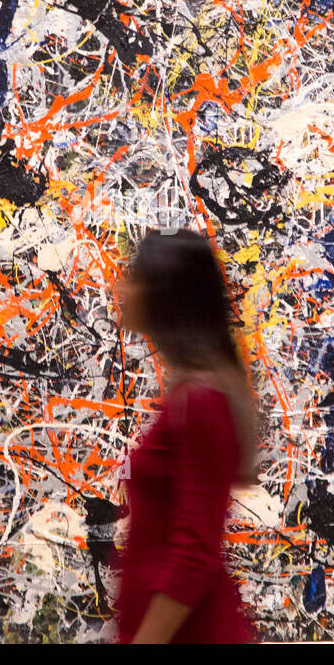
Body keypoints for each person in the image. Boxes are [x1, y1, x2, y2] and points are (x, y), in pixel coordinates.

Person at [111, 227, 259, 643]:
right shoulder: (192, 393)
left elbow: (194, 553)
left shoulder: (202, 401)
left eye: (135, 276)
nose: (123, 286)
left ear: (165, 295)